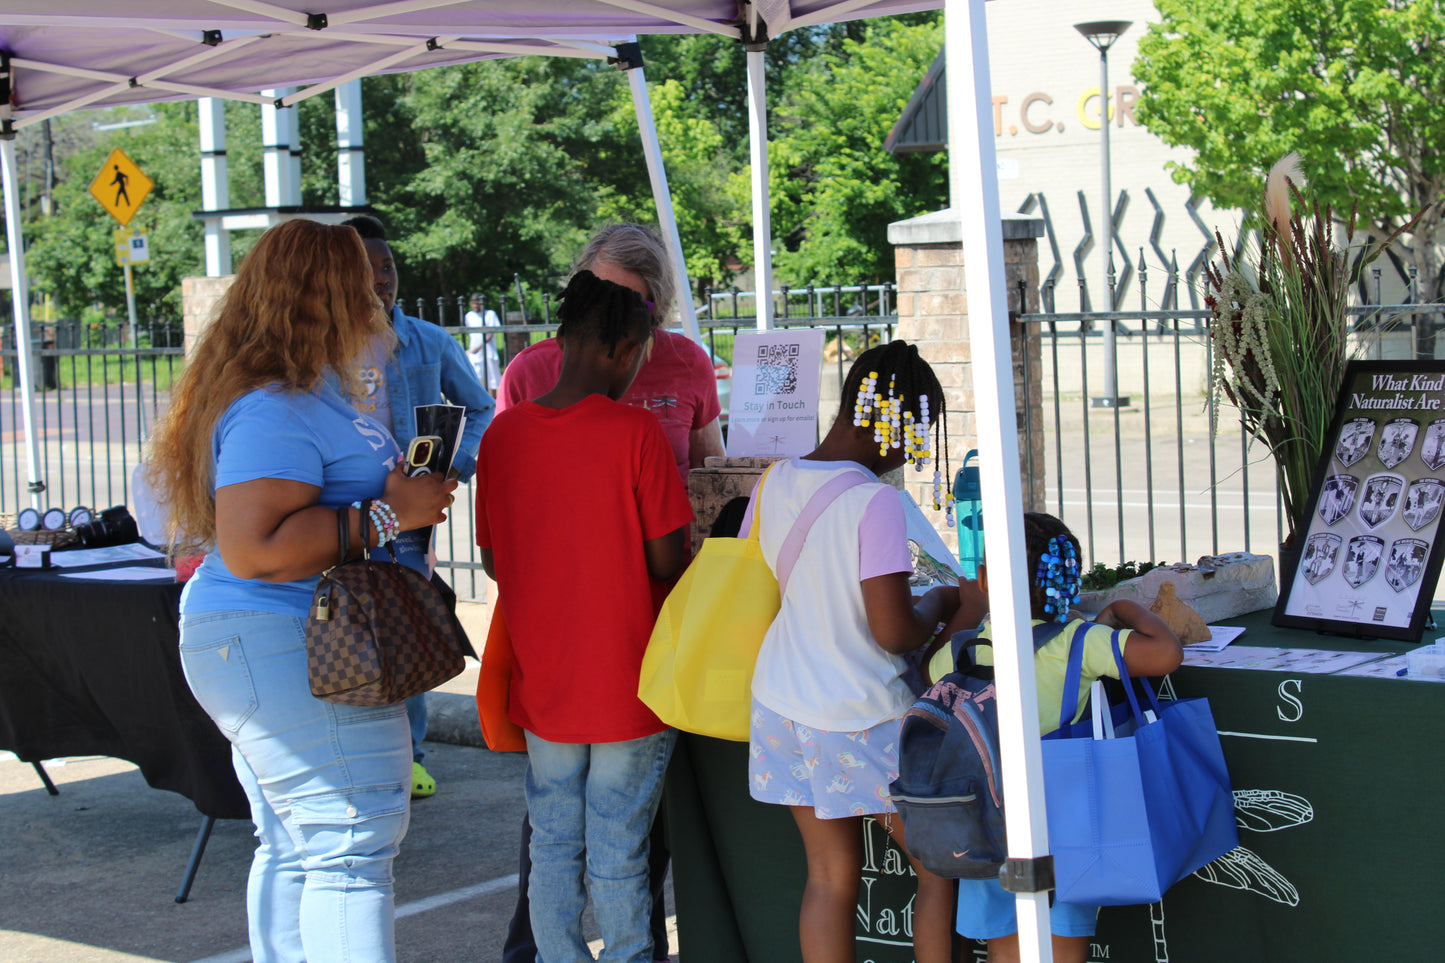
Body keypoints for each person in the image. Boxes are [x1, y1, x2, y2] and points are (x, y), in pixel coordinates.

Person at [145, 218, 457, 962]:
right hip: (284, 637)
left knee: (300, 842)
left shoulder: (299, 395)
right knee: (353, 839)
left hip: (285, 637)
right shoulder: (275, 408)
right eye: (362, 280)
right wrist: (389, 513)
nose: (379, 294)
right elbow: (252, 549)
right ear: (325, 297)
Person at [497, 223, 719, 963]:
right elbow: (666, 559)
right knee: (620, 847)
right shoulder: (636, 435)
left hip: (545, 682)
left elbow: (497, 559)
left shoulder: (503, 438)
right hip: (629, 681)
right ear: (628, 351)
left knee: (554, 843)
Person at [742, 340, 963, 963]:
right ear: (897, 424)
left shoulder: (777, 478)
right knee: (936, 866)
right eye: (916, 436)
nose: (909, 454)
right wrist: (941, 603)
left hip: (782, 702)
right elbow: (893, 631)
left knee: (830, 875)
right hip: (859, 710)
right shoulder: (876, 502)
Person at [928, 512, 1185, 963]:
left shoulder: (958, 651)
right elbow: (1166, 653)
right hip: (1066, 818)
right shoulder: (1081, 642)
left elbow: (929, 676)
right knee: (1063, 941)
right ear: (1068, 578)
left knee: (1004, 944)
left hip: (983, 818)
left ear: (985, 579)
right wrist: (1124, 608)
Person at [340, 214, 496, 800]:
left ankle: (410, 756)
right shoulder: (325, 352)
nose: (382, 279)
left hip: (408, 524)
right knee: (350, 628)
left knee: (406, 626)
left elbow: (480, 409)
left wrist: (456, 465)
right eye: (366, 268)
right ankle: (355, 749)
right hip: (347, 512)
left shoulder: (431, 341)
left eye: (389, 267)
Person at [497, 223, 725, 477]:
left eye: (629, 307)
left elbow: (711, 479)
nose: (610, 319)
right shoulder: (527, 371)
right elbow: (502, 483)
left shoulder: (688, 363)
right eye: (599, 299)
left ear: (655, 311)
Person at [465, 293, 503, 390]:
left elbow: (490, 334)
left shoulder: (490, 314)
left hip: (488, 351)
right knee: (476, 377)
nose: (475, 306)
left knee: (492, 380)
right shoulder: (469, 316)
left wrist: (478, 348)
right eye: (473, 303)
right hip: (475, 353)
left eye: (477, 303)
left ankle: (494, 402)